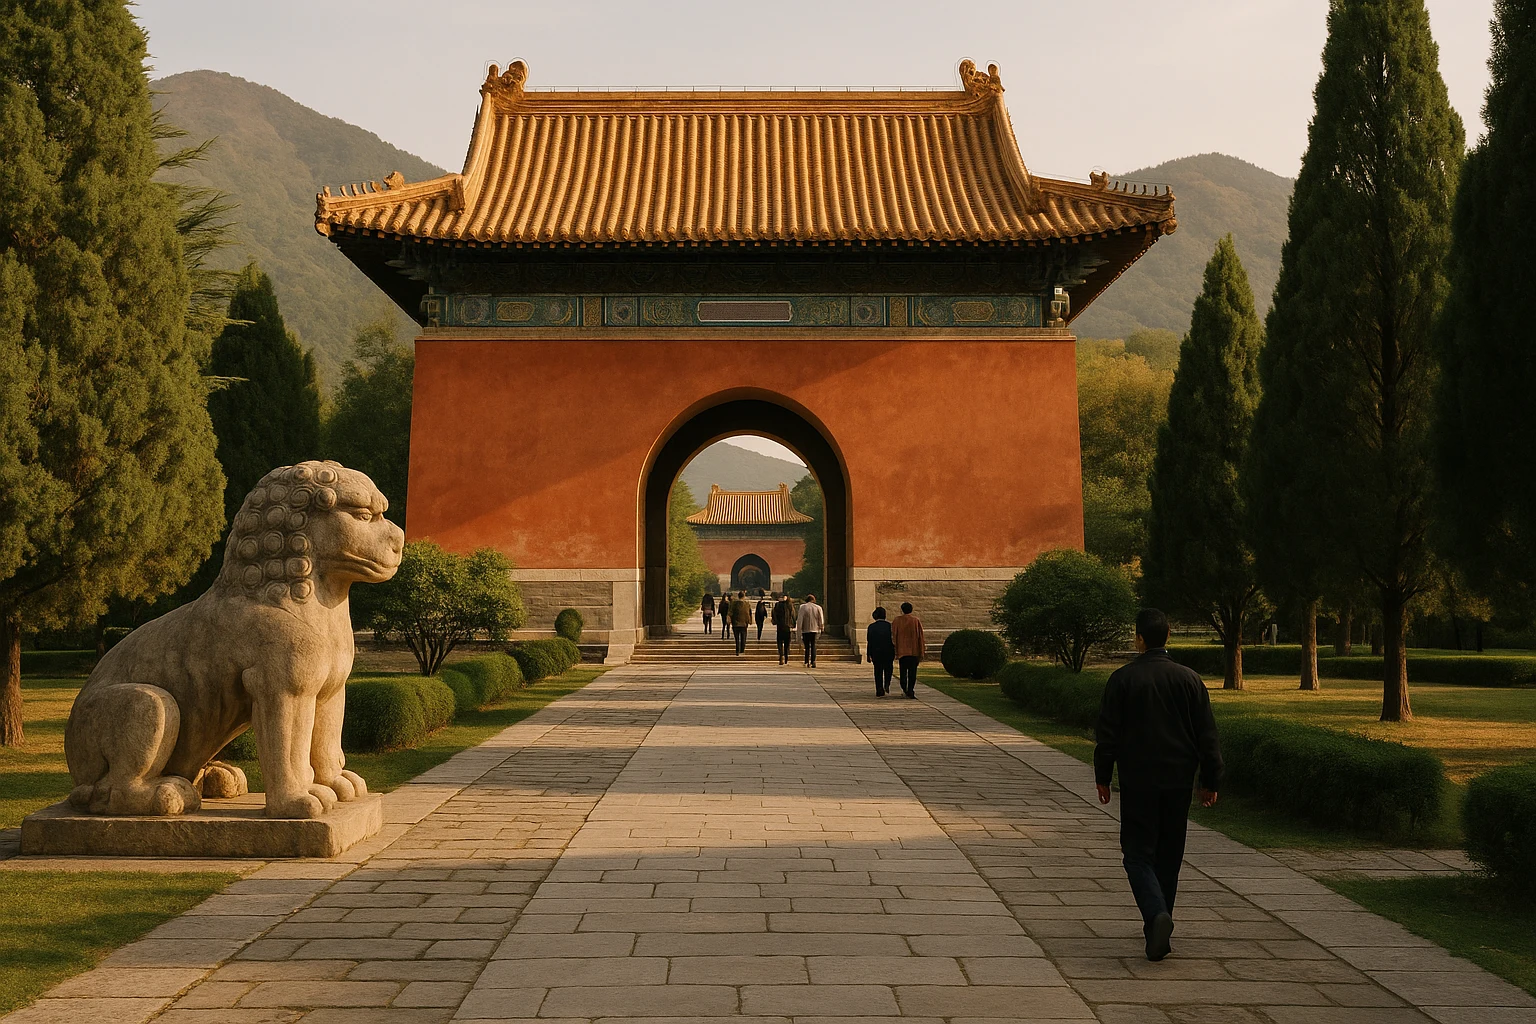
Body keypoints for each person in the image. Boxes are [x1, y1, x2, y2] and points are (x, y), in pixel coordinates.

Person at [1094, 607, 1222, 964]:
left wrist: (1103, 776)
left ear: (1138, 638)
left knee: (1137, 854)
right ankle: (1158, 926)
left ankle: (1155, 915)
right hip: (1179, 781)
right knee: (1169, 854)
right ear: (1168, 636)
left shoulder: (1122, 679)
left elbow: (1108, 736)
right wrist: (1210, 779)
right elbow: (1207, 735)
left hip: (1138, 780)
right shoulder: (1189, 679)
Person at [892, 601, 925, 698]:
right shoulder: (915, 620)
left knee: (903, 672)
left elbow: (894, 636)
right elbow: (920, 637)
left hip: (902, 651)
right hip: (914, 651)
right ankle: (910, 689)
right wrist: (921, 651)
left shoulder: (897, 620)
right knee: (912, 673)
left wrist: (895, 649)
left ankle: (905, 688)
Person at [866, 607, 895, 696]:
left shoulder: (871, 627)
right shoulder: (890, 626)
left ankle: (879, 689)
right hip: (888, 651)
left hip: (876, 652)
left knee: (878, 671)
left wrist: (868, 654)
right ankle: (887, 683)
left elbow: (869, 641)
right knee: (888, 669)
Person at [796, 593, 825, 667]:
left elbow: (800, 620)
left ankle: (806, 661)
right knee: (813, 645)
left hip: (805, 629)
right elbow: (821, 619)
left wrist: (798, 630)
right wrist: (821, 628)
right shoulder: (818, 607)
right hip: (815, 629)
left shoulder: (803, 607)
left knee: (807, 646)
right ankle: (813, 661)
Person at [772, 593, 795, 665]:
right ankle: (786, 656)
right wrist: (793, 624)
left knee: (780, 642)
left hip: (780, 626)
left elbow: (774, 614)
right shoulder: (790, 605)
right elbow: (793, 615)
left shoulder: (777, 605)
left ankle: (781, 656)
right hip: (787, 627)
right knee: (787, 643)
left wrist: (775, 621)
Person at [730, 590, 752, 655]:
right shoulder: (747, 604)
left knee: (737, 639)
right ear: (744, 596)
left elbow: (730, 612)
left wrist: (730, 620)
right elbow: (749, 613)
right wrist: (750, 621)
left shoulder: (734, 603)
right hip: (744, 624)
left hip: (735, 623)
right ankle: (742, 650)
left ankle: (737, 650)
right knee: (743, 638)